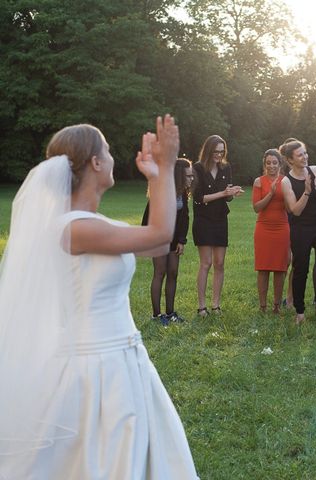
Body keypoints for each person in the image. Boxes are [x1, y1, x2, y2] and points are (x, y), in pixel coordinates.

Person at [0, 116, 198, 478]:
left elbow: (155, 242)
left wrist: (157, 176)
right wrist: (167, 166)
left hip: (122, 358)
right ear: (94, 162)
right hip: (93, 370)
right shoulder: (73, 230)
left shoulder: (94, 225)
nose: (111, 156)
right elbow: (161, 234)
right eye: (106, 150)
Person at [278, 139, 316, 324]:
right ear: (290, 160)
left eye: (305, 153)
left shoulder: (315, 170)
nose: (305, 157)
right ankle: (299, 311)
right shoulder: (286, 181)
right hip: (301, 228)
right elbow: (295, 210)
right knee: (300, 268)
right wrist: (307, 191)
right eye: (300, 155)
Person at [192, 135, 243, 316]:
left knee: (219, 263)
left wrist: (232, 193)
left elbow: (226, 195)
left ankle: (216, 305)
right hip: (203, 220)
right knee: (206, 263)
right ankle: (201, 306)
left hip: (221, 219)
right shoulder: (197, 168)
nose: (219, 155)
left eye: (222, 152)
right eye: (216, 152)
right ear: (208, 151)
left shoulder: (225, 167)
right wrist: (223, 193)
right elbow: (199, 198)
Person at [142, 157, 193, 325]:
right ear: (179, 176)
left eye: (191, 176)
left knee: (173, 273)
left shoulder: (183, 193)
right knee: (160, 273)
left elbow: (184, 218)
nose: (191, 179)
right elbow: (147, 218)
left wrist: (181, 240)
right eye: (188, 176)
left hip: (173, 240)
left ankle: (170, 313)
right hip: (158, 239)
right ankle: (157, 316)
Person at [252, 149, 290, 313]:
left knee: (280, 268)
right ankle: (262, 306)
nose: (271, 166)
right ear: (264, 164)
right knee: (263, 268)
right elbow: (256, 207)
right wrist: (271, 194)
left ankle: (276, 306)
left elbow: (289, 208)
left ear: (280, 164)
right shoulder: (259, 182)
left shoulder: (285, 181)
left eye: (275, 162)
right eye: (268, 163)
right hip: (263, 228)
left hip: (282, 228)